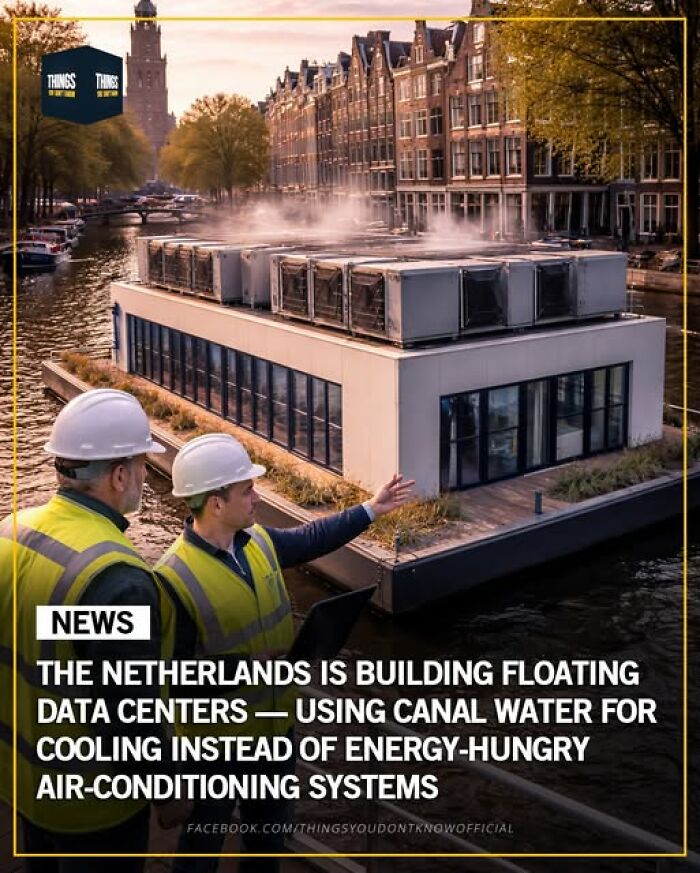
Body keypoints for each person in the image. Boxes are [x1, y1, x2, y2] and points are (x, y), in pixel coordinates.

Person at [156, 433, 414, 873]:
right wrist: (247, 670)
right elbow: (168, 681)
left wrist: (372, 508)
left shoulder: (257, 541)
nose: (256, 496)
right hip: (213, 752)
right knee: (200, 851)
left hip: (275, 738)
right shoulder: (170, 579)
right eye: (246, 490)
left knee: (266, 844)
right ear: (216, 504)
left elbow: (313, 537)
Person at [0, 388, 189, 872]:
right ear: (120, 474)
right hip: (92, 802)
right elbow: (130, 712)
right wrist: (168, 788)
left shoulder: (10, 530)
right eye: (143, 465)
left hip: (21, 779)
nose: (147, 477)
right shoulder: (117, 576)